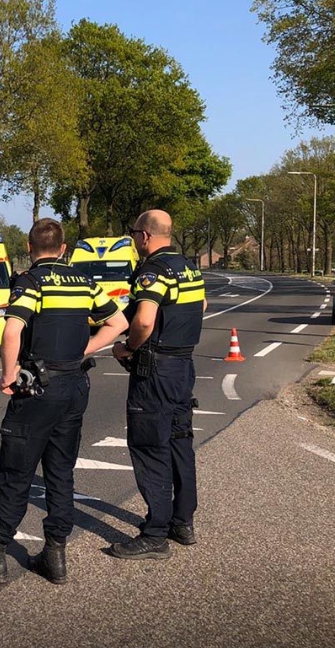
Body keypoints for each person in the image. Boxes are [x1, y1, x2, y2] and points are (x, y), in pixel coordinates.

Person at [0, 218, 128, 585]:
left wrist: (8, 374)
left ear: (30, 249)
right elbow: (119, 323)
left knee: (15, 474)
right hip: (75, 386)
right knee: (61, 472)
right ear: (64, 249)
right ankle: (54, 555)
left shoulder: (31, 281)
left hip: (38, 390)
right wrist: (83, 351)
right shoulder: (84, 282)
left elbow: (12, 329)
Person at [110, 209, 207, 560]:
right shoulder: (188, 267)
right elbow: (202, 304)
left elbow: (145, 320)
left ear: (146, 236)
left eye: (134, 233)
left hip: (155, 369)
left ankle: (155, 534)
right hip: (183, 367)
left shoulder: (152, 271)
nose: (134, 240)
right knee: (180, 441)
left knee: (150, 445)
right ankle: (183, 521)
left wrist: (128, 347)